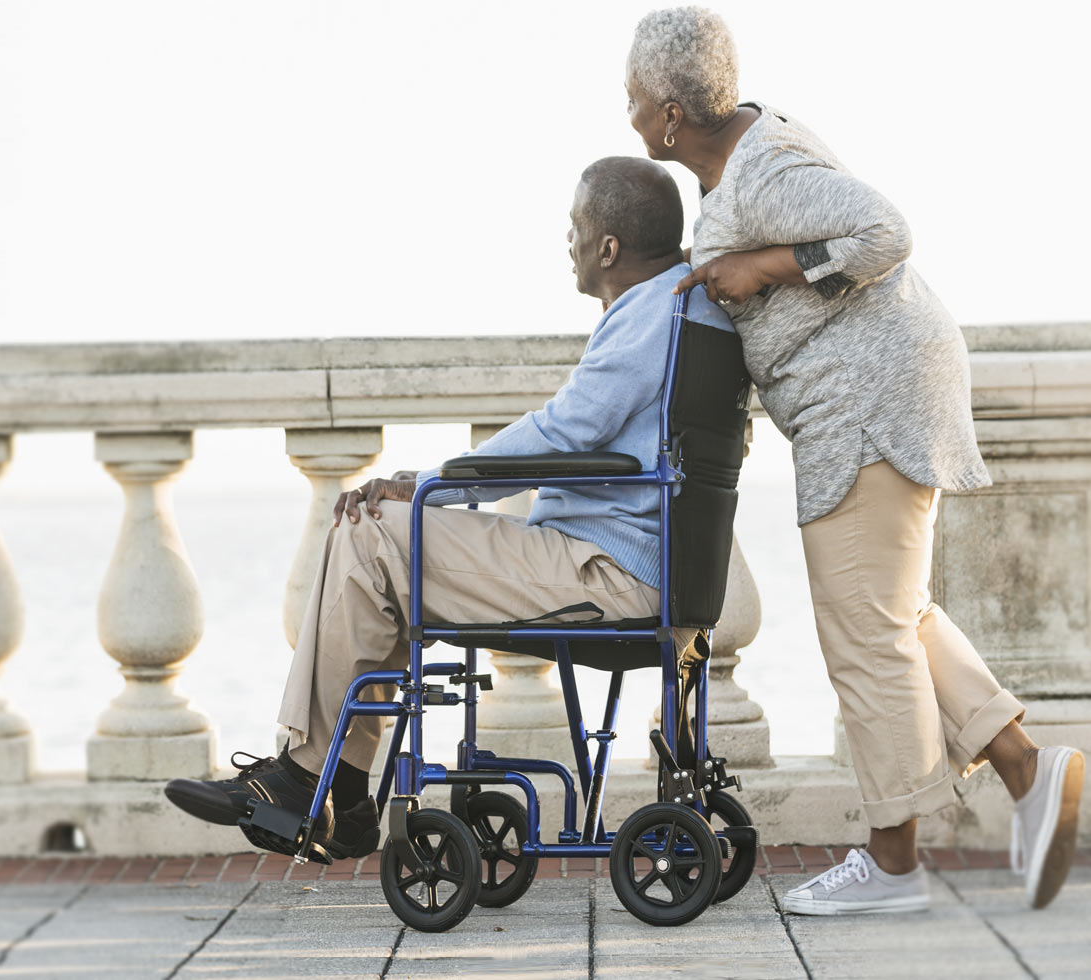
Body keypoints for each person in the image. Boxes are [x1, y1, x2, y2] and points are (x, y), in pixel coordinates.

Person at [624, 7, 1084, 914]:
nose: (629, 112)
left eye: (634, 98)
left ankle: (894, 862)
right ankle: (1025, 768)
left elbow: (886, 232)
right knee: (893, 612)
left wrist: (765, 265)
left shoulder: (762, 172)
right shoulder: (750, 159)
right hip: (882, 388)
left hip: (867, 401)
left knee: (863, 631)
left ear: (671, 113)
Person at [164, 156, 729, 862]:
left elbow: (565, 430)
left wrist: (433, 482)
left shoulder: (652, 312)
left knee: (372, 528)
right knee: (382, 544)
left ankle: (316, 781)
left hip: (605, 575)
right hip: (623, 563)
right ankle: (333, 787)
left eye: (576, 228)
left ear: (608, 247)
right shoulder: (685, 303)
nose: (570, 242)